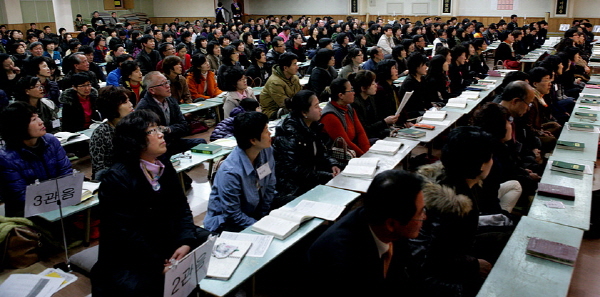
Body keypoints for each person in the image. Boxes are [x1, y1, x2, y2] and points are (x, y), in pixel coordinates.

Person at [91, 110, 210, 296]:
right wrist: (158, 263)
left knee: (208, 244)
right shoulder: (116, 178)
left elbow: (180, 206)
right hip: (132, 255)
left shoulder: (162, 163)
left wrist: (185, 241)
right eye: (152, 131)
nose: (161, 134)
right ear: (135, 140)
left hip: (163, 239)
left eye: (159, 128)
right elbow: (126, 234)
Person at [412, 126, 510, 297]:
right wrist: (473, 265)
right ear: (479, 165)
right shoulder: (456, 206)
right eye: (490, 158)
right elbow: (435, 259)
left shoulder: (446, 180)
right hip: (431, 282)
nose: (492, 162)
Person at [308, 170, 426, 296]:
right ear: (391, 224)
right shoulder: (344, 263)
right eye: (420, 213)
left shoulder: (385, 222)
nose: (424, 217)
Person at [204, 111, 276, 232]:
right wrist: (261, 226)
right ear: (253, 140)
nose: (270, 133)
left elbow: (270, 185)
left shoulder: (266, 151)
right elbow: (233, 215)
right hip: (228, 222)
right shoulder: (230, 172)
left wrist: (264, 216)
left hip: (255, 211)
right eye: (266, 130)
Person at [0, 101, 72, 217]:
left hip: (59, 199)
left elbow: (66, 172)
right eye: (34, 120)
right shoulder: (5, 158)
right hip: (26, 211)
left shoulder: (51, 141)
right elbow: (21, 196)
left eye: (38, 117)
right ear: (19, 126)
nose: (41, 122)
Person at [272, 90, 342, 202]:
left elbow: (322, 151)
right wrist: (325, 175)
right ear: (304, 112)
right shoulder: (289, 134)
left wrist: (332, 163)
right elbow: (294, 170)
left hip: (313, 177)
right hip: (294, 187)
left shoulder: (313, 126)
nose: (321, 109)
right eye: (316, 106)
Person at [136, 71, 206, 156]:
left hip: (173, 141)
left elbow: (184, 126)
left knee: (201, 143)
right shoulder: (144, 108)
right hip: (158, 147)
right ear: (152, 90)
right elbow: (149, 137)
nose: (167, 86)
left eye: (167, 82)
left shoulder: (171, 101)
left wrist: (168, 129)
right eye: (163, 84)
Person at [90, 86, 134, 179]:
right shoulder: (101, 133)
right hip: (114, 179)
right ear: (112, 107)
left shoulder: (134, 125)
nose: (130, 105)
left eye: (129, 100)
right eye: (125, 102)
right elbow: (99, 169)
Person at [321, 78, 370, 156]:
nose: (354, 93)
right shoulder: (330, 116)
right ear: (341, 95)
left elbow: (360, 132)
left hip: (353, 149)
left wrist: (368, 153)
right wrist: (364, 157)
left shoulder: (349, 108)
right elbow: (346, 143)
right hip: (340, 156)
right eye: (350, 90)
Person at [349, 70, 398, 140]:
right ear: (363, 88)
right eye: (373, 84)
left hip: (375, 132)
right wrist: (385, 122)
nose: (376, 85)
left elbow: (376, 119)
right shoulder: (355, 104)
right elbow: (364, 129)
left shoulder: (371, 98)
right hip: (365, 137)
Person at [260, 52, 301, 119]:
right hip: (273, 112)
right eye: (294, 64)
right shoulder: (274, 82)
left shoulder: (294, 78)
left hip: (291, 108)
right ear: (285, 68)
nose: (297, 67)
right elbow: (284, 104)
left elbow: (300, 95)